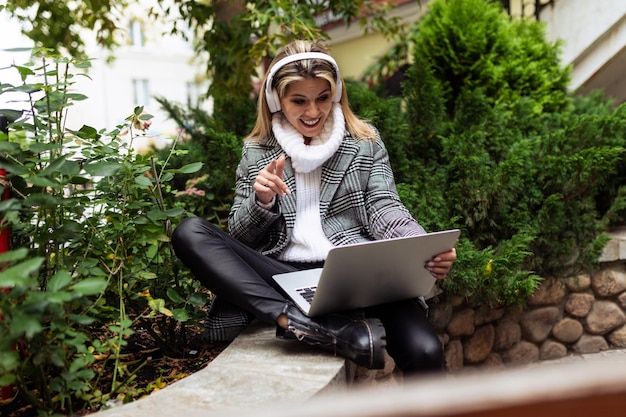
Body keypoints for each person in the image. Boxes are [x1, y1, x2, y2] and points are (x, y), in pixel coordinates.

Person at [171, 40, 457, 375]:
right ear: (277, 100)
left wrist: (421, 247)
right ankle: (296, 322)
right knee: (189, 231)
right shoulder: (256, 152)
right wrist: (262, 201)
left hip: (354, 273)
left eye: (322, 97)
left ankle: (322, 324)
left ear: (335, 94)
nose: (313, 112)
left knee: (425, 352)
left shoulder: (363, 142)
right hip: (284, 278)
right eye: (299, 100)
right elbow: (240, 237)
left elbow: (385, 207)